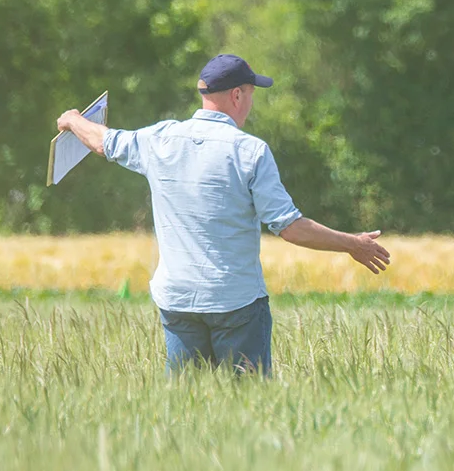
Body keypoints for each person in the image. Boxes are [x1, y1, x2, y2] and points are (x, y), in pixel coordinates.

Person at [56, 54, 391, 375]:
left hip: (178, 301)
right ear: (236, 95)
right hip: (237, 303)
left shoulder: (159, 139)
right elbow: (289, 227)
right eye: (251, 94)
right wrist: (352, 243)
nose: (251, 102)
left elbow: (104, 143)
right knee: (248, 405)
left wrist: (73, 120)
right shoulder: (250, 151)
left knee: (187, 409)